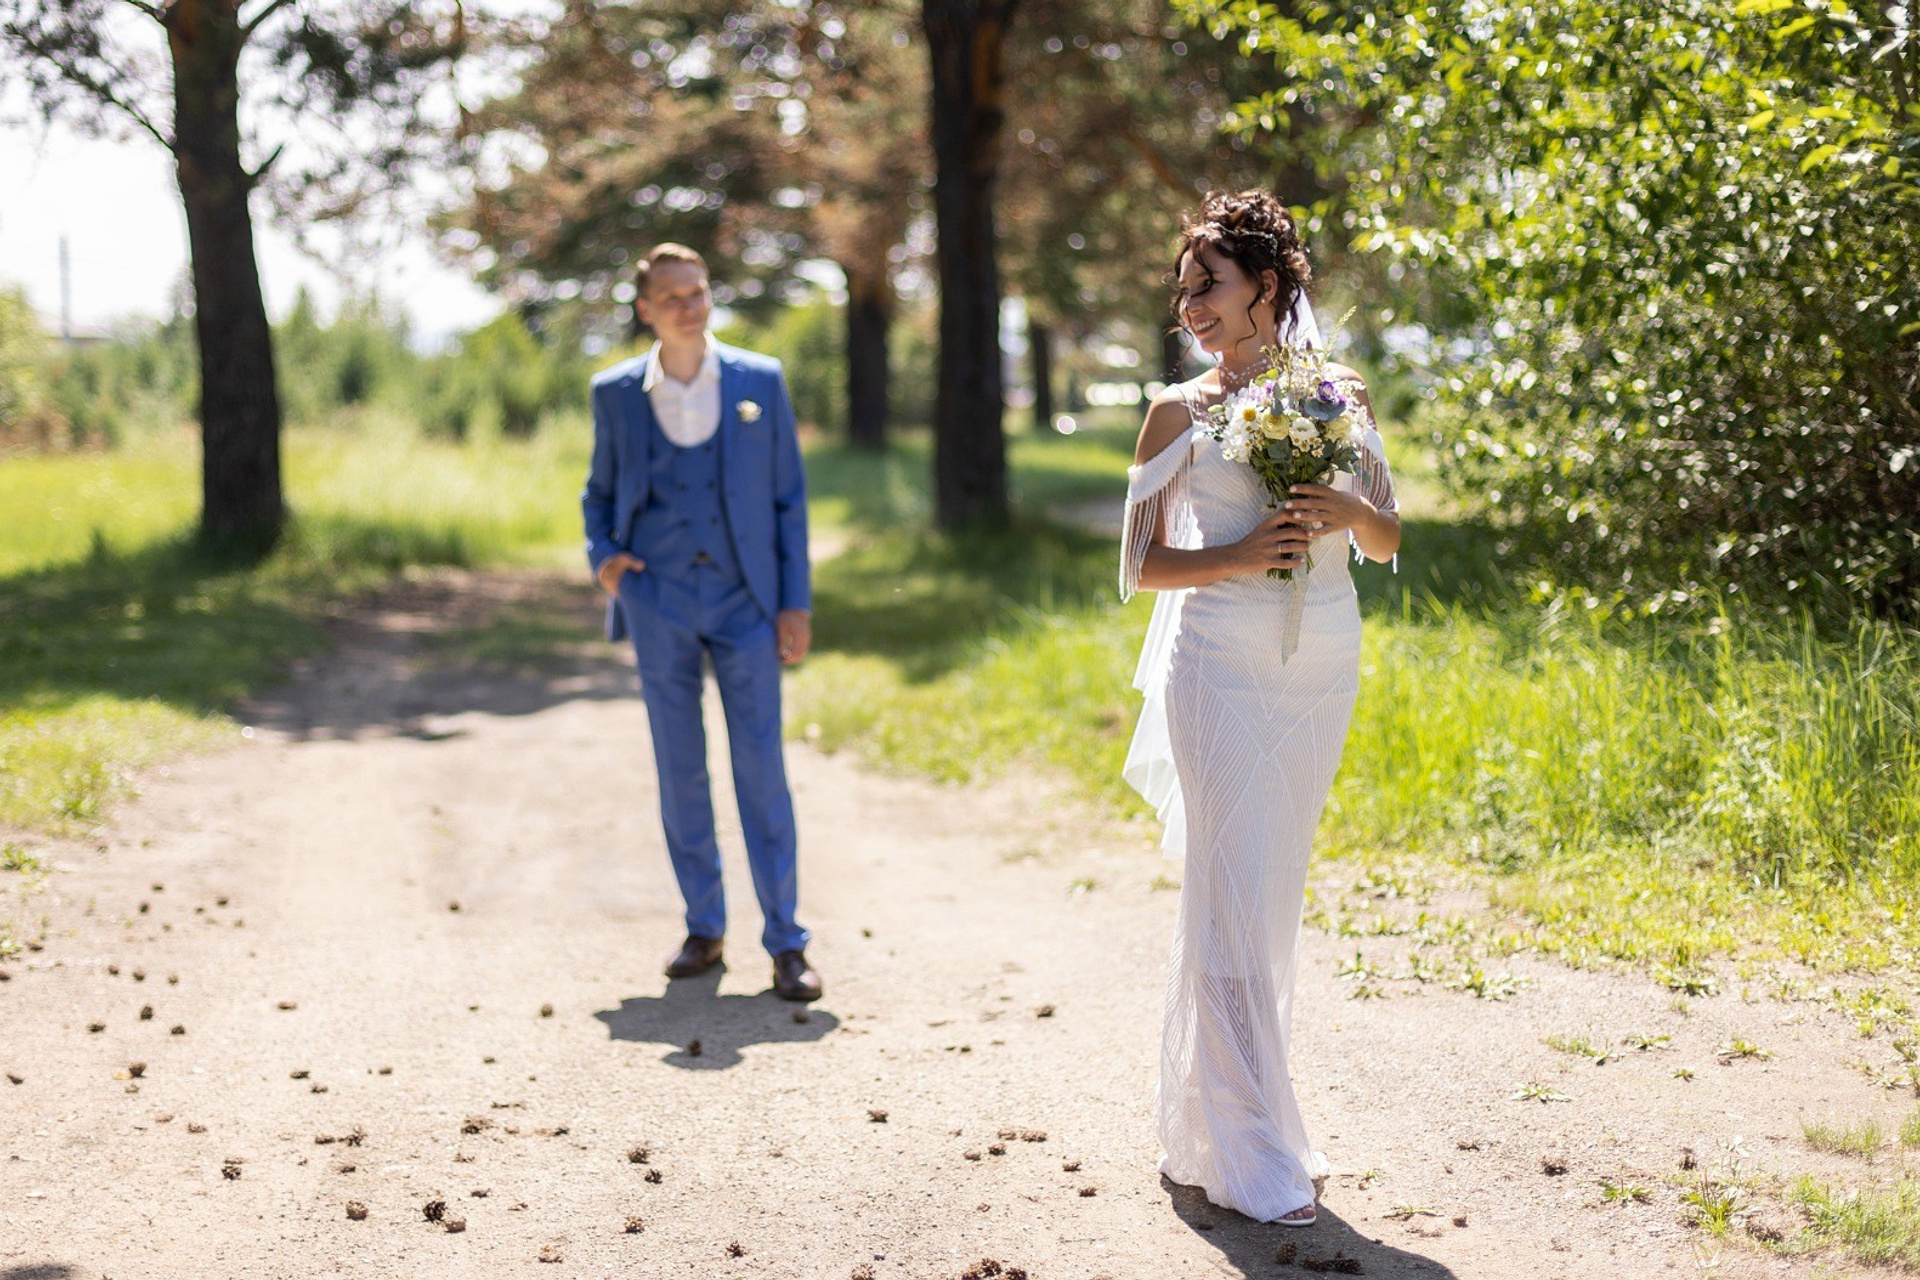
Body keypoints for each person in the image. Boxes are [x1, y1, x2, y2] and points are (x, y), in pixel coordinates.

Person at [1119, 191, 1400, 1224]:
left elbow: (1387, 537)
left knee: (1273, 893)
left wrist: (1348, 506)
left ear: (1268, 287)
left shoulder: (1341, 394)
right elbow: (1139, 563)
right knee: (1230, 890)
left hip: (1322, 659)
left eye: (1210, 284)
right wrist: (1239, 554)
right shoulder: (1176, 410)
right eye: (1184, 289)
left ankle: (1238, 1117)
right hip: (1220, 666)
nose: (1190, 305)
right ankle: (1250, 1151)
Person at [582, 242, 823, 1003]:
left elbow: (788, 498)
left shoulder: (760, 380)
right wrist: (606, 559)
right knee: (679, 767)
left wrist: (794, 603)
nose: (690, 306)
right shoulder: (615, 392)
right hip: (657, 599)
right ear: (646, 309)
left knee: (760, 767)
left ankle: (786, 940)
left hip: (745, 599)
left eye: (698, 292)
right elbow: (598, 490)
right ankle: (704, 927)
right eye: (673, 297)